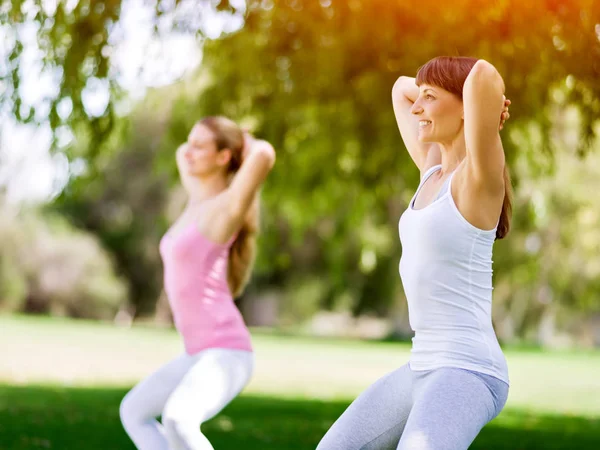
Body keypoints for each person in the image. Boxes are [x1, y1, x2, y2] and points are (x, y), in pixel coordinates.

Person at [316, 56, 512, 450]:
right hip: (420, 364)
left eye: (430, 98)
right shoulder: (432, 171)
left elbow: (483, 75)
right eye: (420, 99)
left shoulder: (477, 179)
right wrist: (450, 97)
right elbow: (399, 89)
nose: (417, 107)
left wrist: (484, 114)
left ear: (463, 109)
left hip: (468, 369)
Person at [119, 116, 276, 449]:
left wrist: (242, 143)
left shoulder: (226, 209)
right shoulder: (196, 200)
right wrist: (206, 144)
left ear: (223, 157)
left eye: (199, 146)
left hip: (227, 352)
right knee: (133, 411)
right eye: (190, 142)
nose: (188, 152)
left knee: (179, 419)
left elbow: (264, 154)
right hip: (197, 352)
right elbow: (180, 152)